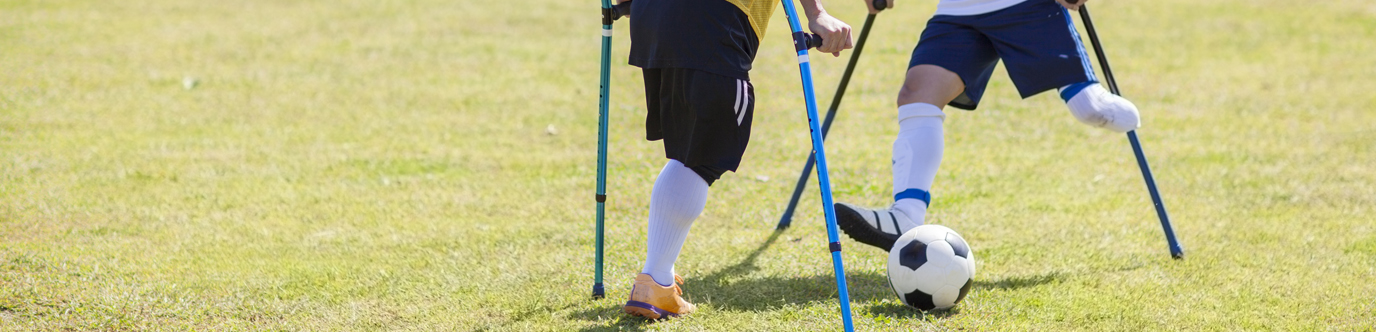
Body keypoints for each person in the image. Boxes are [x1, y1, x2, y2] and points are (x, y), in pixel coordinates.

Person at [617, 0, 868, 320]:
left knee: (691, 149)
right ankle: (656, 282)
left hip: (652, 12)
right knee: (703, 154)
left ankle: (655, 280)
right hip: (714, 14)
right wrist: (816, 13)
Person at [833, 0, 1142, 251]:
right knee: (916, 94)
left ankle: (1139, 119)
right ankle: (906, 216)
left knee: (1090, 108)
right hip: (959, 11)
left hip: (1028, 5)